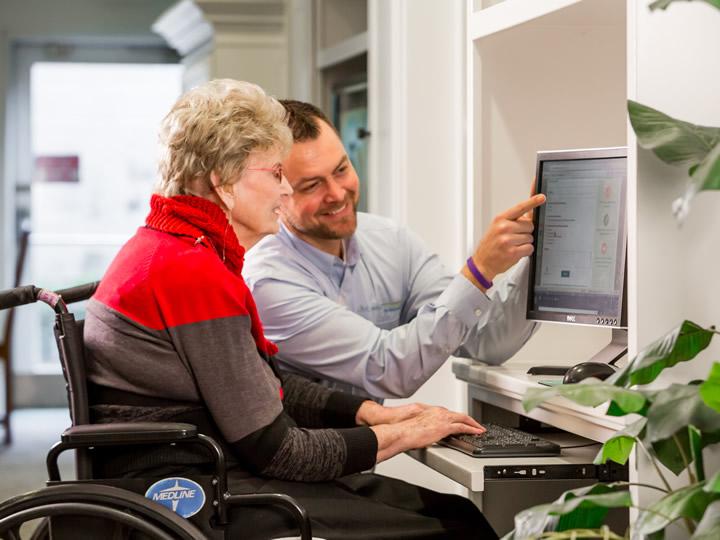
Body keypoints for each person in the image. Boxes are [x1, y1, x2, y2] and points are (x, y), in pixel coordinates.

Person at [83, 79, 497, 539]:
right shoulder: (189, 272)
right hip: (195, 490)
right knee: (454, 527)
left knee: (453, 515)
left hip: (206, 468)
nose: (285, 193)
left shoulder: (174, 250)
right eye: (275, 174)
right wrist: (403, 435)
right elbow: (279, 451)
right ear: (224, 183)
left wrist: (367, 413)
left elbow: (263, 383)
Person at [244, 100, 546, 399]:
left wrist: (538, 253)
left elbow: (485, 342)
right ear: (278, 193)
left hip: (368, 443)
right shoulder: (267, 281)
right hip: (307, 446)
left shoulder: (391, 241)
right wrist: (479, 272)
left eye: (341, 169)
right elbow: (386, 368)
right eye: (312, 186)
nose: (337, 194)